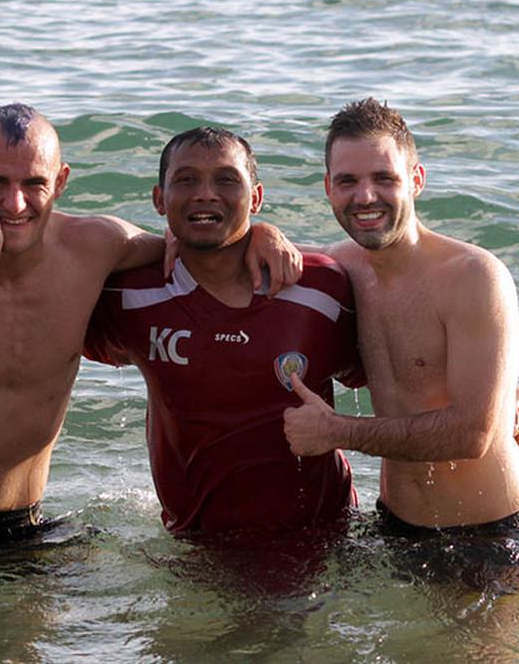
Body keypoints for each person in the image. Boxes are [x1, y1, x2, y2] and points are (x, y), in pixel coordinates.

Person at [0, 104, 299, 564]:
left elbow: (203, 249)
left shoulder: (97, 247)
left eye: (33, 183)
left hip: (20, 527)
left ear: (60, 181)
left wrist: (262, 234)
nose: (14, 203)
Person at [283, 98, 519, 549]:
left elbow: (472, 434)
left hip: (491, 533)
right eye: (348, 181)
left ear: (416, 180)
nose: (365, 196)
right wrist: (259, 234)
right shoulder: (342, 268)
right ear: (328, 188)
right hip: (395, 525)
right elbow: (244, 262)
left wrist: (337, 432)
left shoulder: (473, 275)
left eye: (384, 178)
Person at [83, 127, 363, 536]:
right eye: (186, 180)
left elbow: (402, 385)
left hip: (326, 543)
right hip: (195, 547)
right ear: (159, 199)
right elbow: (40, 278)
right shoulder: (130, 296)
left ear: (256, 197)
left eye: (226, 180)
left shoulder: (321, 288)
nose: (205, 194)